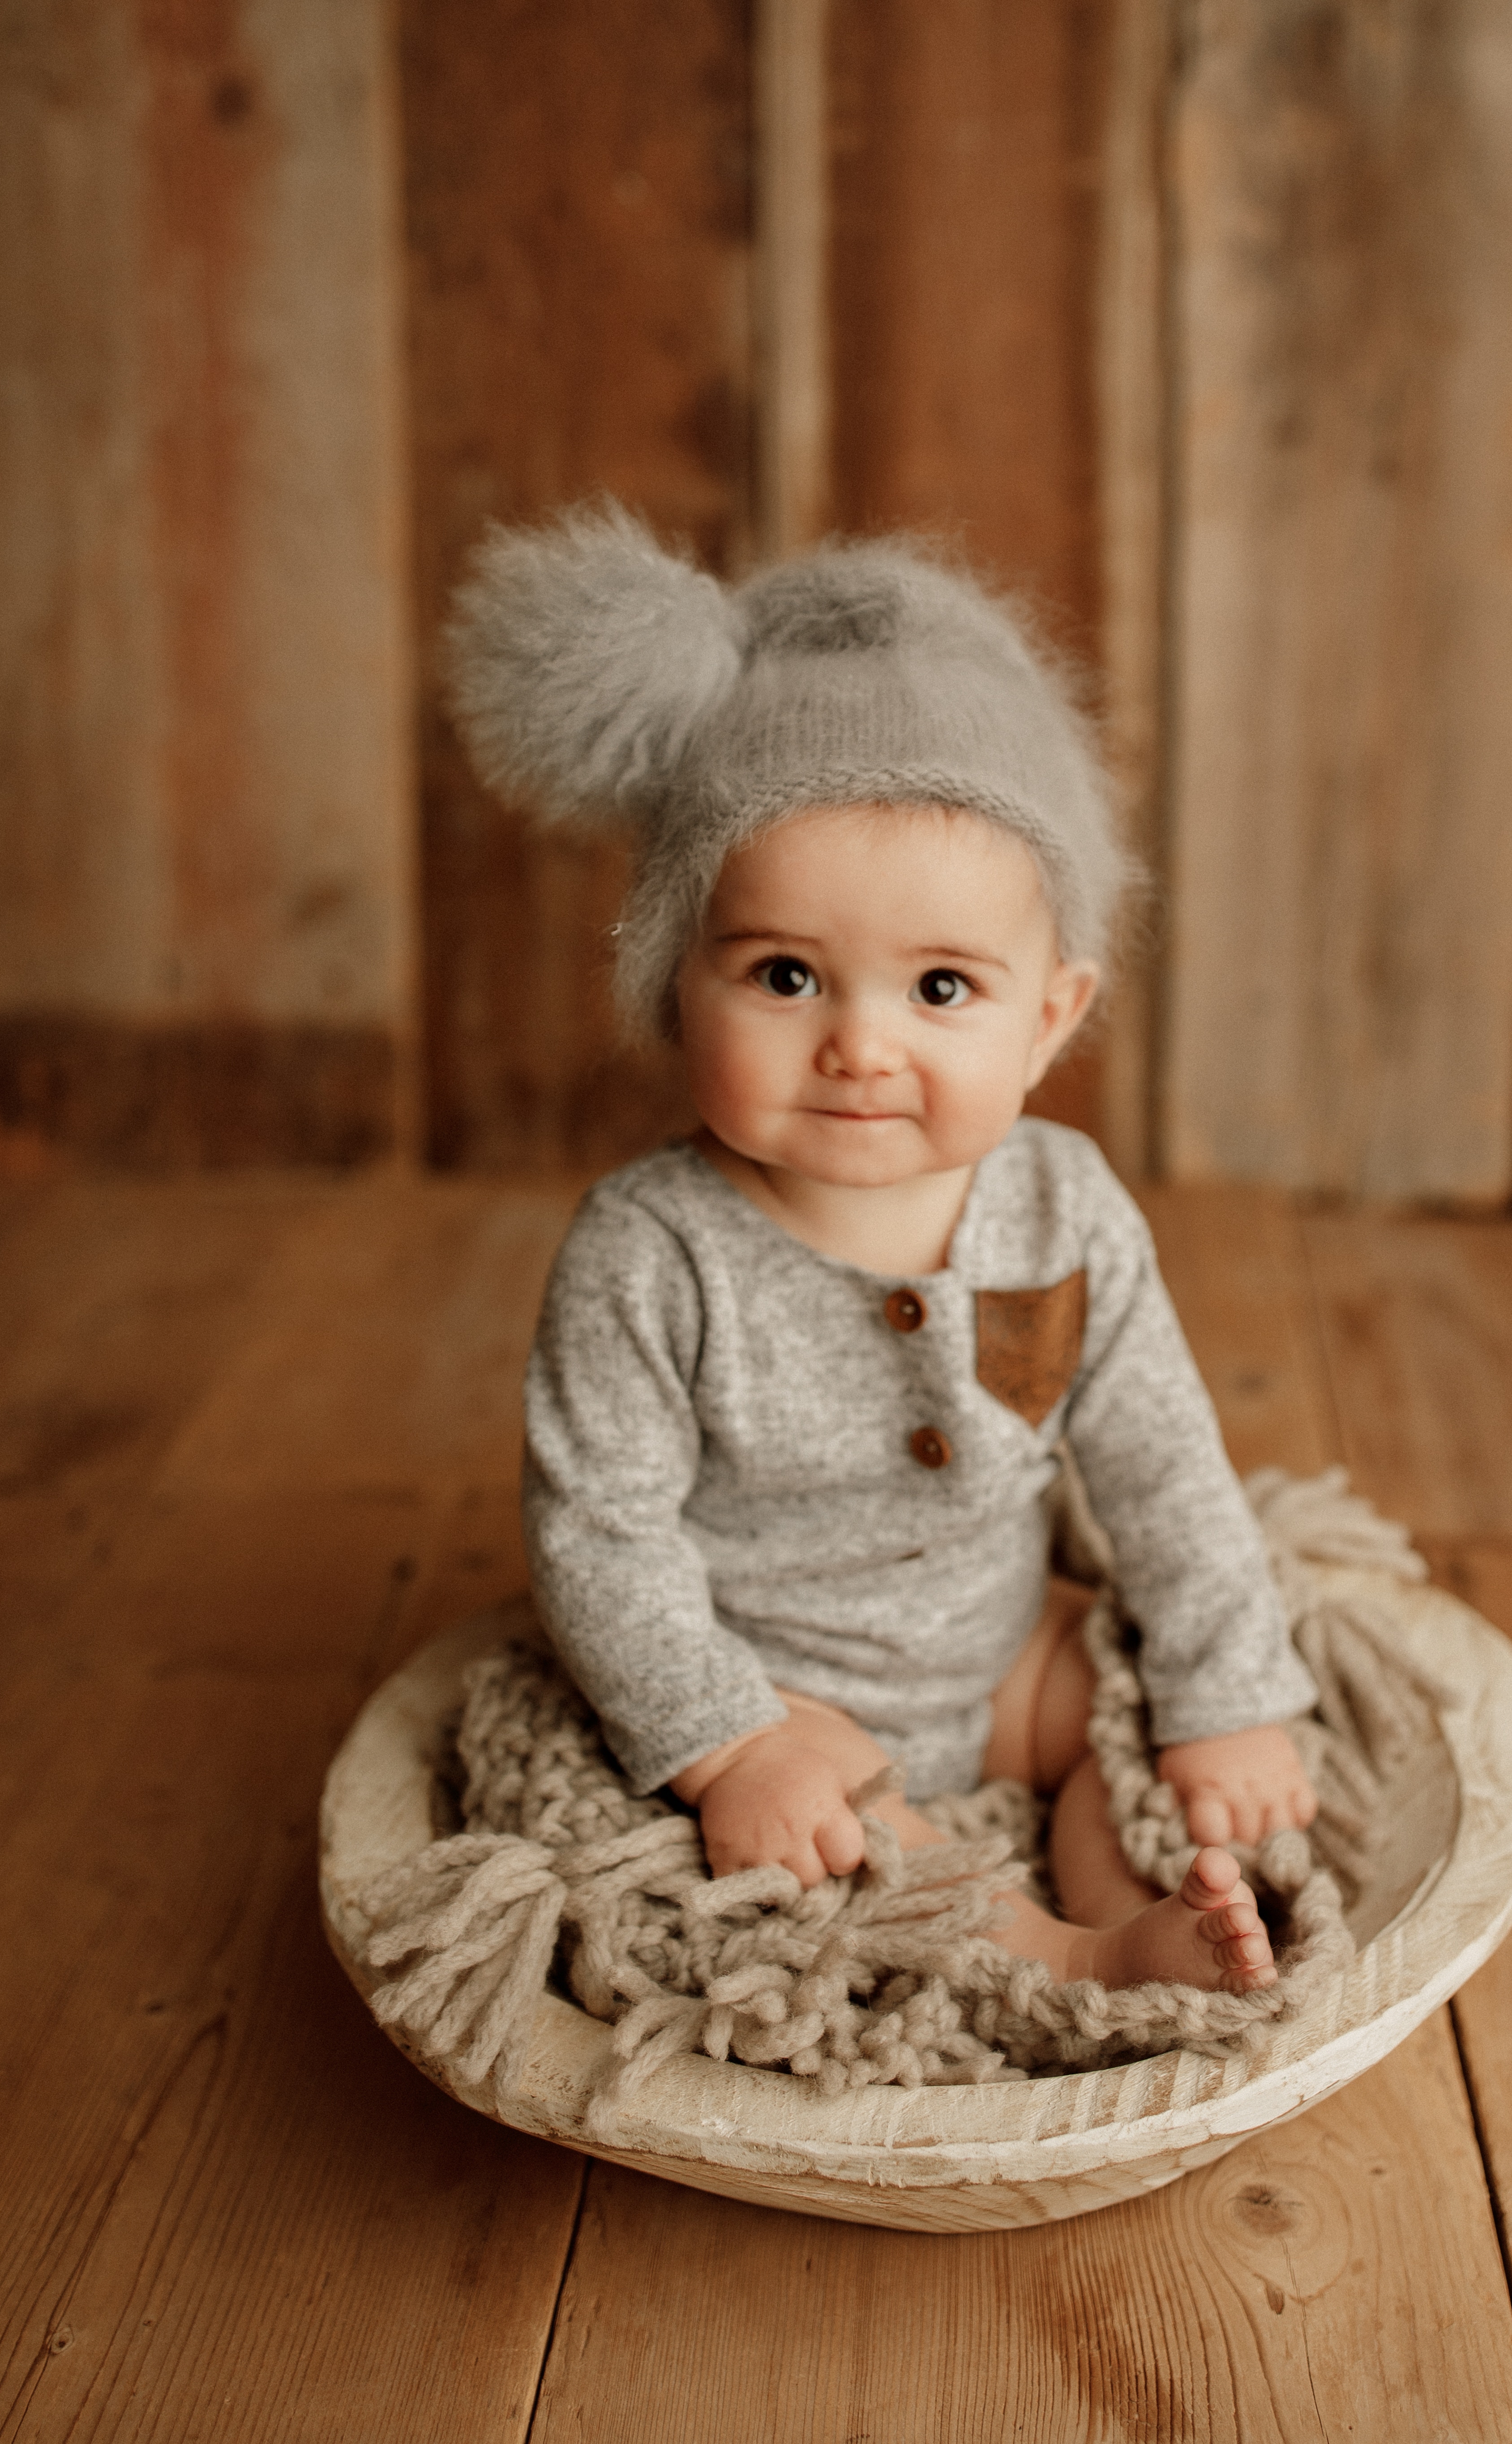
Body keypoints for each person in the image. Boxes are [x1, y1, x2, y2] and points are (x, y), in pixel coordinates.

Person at [448, 505, 1319, 1996]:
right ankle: (1048, 1961)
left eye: (939, 986)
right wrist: (731, 1736)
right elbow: (599, 1531)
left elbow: (1163, 1465)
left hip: (997, 1662)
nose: (859, 1042)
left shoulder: (1064, 1207)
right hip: (783, 1680)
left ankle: (1145, 1909)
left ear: (1048, 1015)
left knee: (1117, 1723)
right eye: (786, 974)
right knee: (842, 1846)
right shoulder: (653, 1254)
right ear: (675, 987)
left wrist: (1223, 1698)